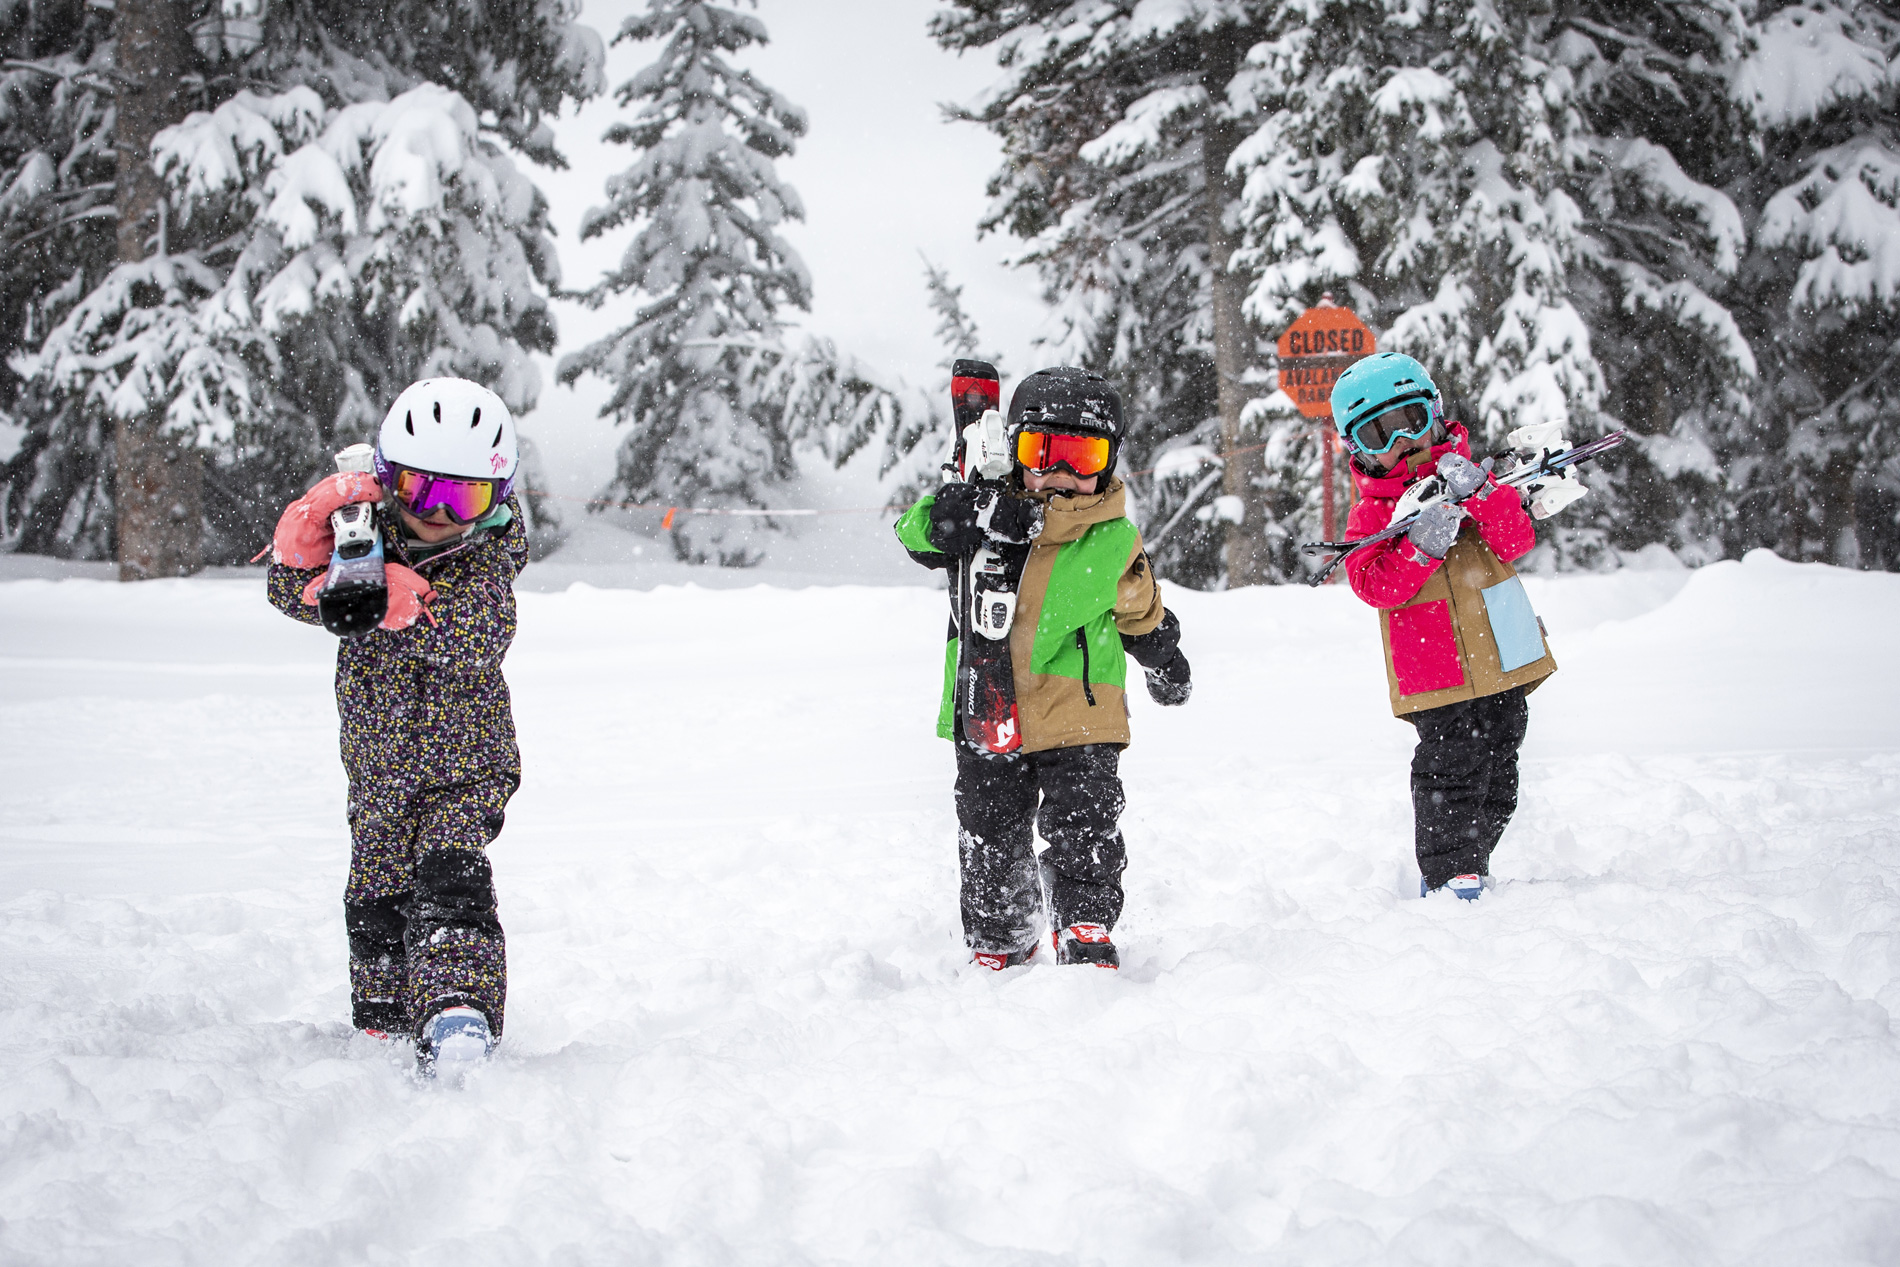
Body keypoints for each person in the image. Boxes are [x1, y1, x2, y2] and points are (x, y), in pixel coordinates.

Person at [266, 377, 529, 1075]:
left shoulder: (487, 558)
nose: (440, 514)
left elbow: (480, 634)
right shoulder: (363, 531)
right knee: (375, 896)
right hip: (377, 766)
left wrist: (407, 606)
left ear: (495, 502)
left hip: (465, 764)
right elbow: (296, 594)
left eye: (465, 498)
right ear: (387, 478)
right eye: (423, 491)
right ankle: (381, 1018)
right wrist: (304, 556)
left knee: (450, 879)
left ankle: (456, 1008)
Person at [894, 367, 1192, 969]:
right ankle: (1001, 934)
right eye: (1043, 451)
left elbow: (1140, 608)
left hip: (1080, 711)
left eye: (1081, 456)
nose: (1060, 473)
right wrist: (951, 512)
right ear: (1014, 450)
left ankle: (1083, 922)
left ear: (1106, 466)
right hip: (988, 702)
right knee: (989, 827)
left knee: (1085, 823)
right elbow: (916, 535)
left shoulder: (1111, 539)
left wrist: (1166, 659)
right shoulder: (984, 518)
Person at [1332, 352, 1557, 899]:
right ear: (1359, 450)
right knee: (1449, 768)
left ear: (1433, 413)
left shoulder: (1475, 482)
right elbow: (1374, 586)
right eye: (1379, 434)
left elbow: (1517, 540)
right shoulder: (1372, 515)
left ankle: (1475, 853)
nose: (1402, 443)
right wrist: (1418, 546)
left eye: (1409, 422)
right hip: (1436, 666)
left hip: (1501, 651)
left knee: (1501, 764)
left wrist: (1481, 494)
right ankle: (1452, 867)